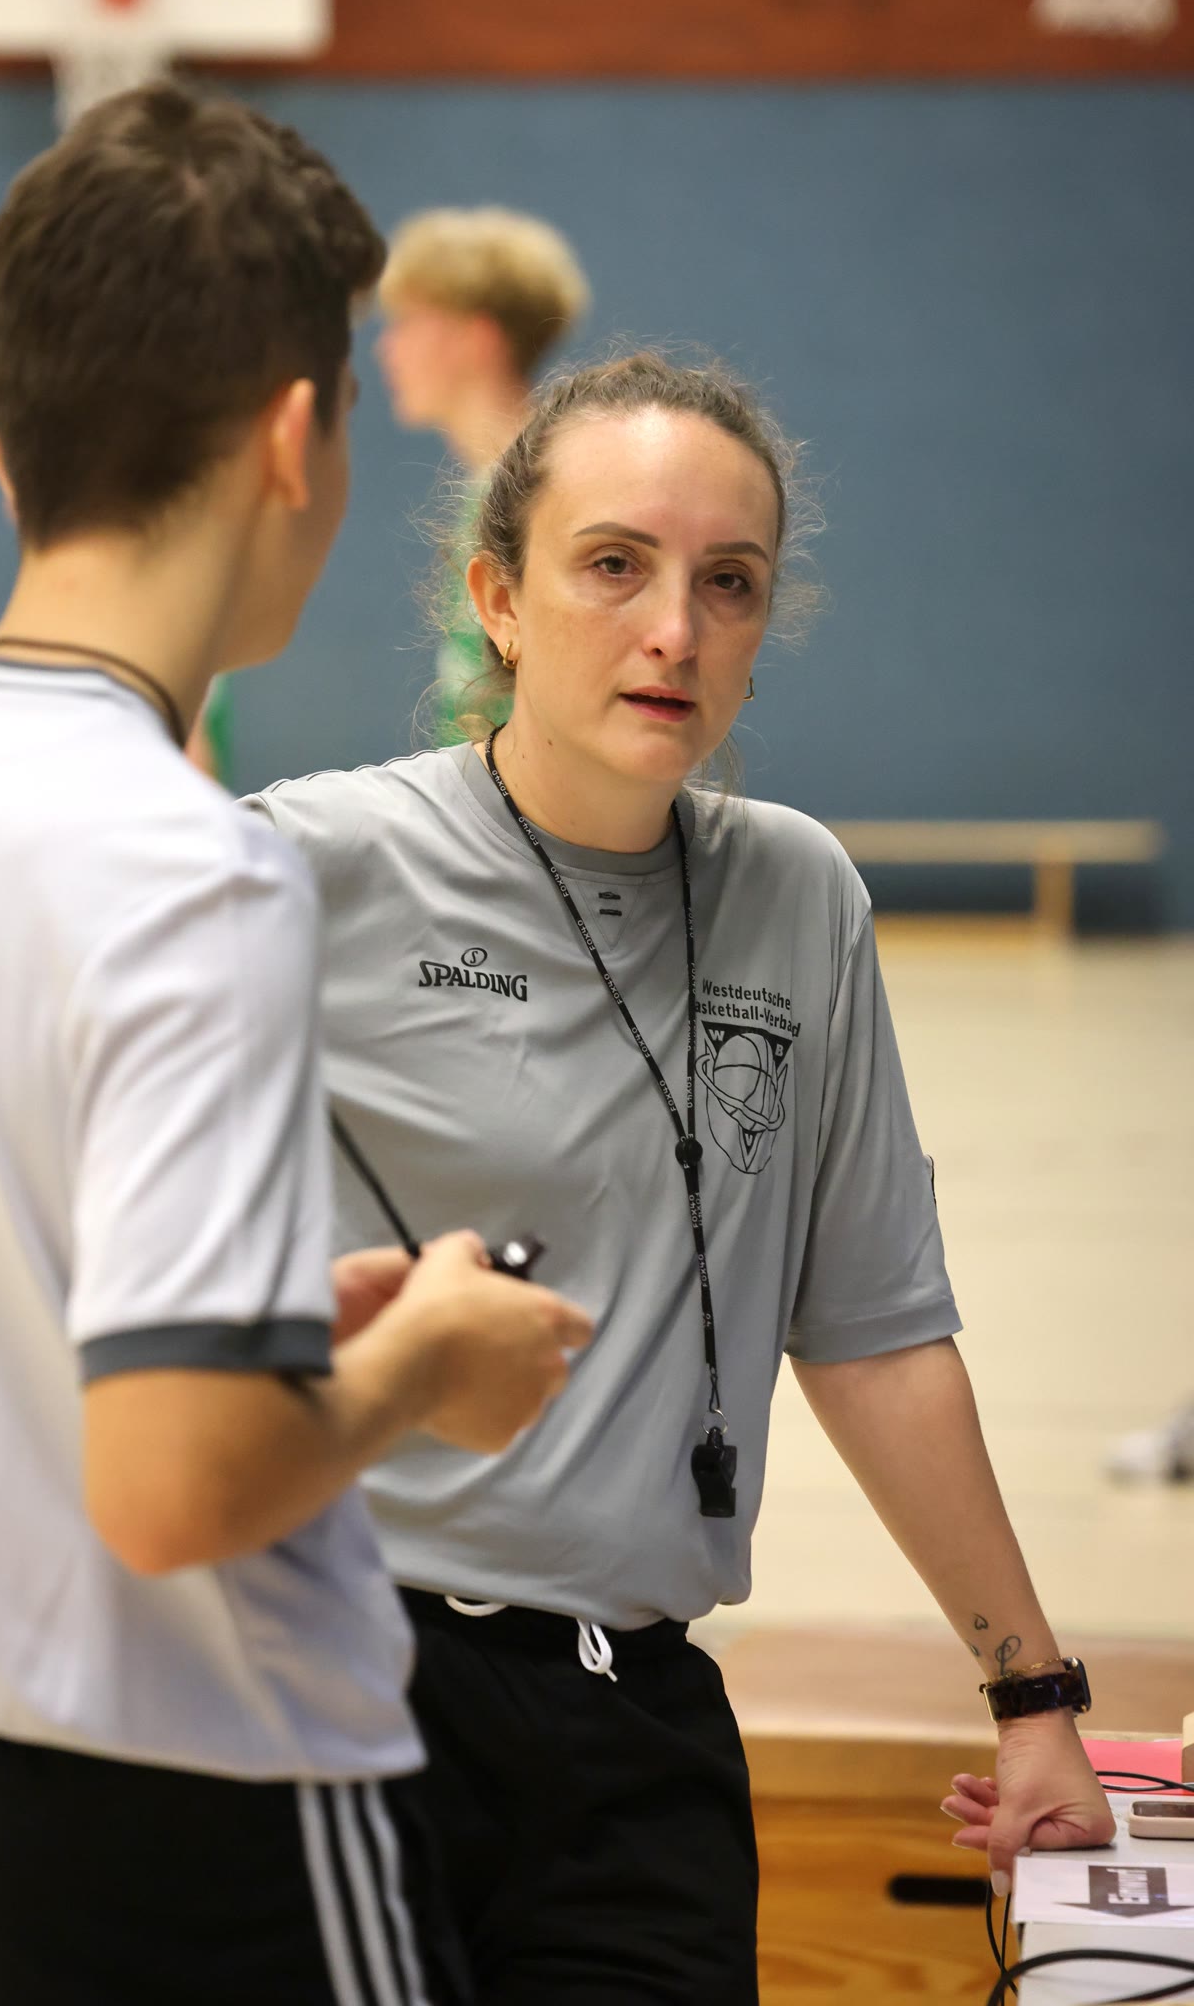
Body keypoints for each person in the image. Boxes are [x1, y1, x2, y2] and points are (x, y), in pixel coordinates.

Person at [0, 80, 591, 2006]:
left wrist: (239, 1329)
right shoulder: (188, 866)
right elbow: (177, 1484)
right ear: (294, 438)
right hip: (199, 1828)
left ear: (7, 443)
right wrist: (424, 1355)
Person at [236, 353, 1114, 2001]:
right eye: (614, 565)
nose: (675, 630)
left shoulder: (798, 895)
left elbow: (873, 1332)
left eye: (730, 583)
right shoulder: (311, 861)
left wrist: (1031, 1695)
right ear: (499, 601)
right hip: (333, 1690)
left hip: (636, 1728)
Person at [375, 206, 589, 743]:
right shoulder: (491, 486)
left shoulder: (534, 493)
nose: (386, 347)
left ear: (477, 338)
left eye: (408, 322)